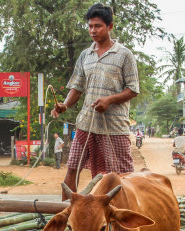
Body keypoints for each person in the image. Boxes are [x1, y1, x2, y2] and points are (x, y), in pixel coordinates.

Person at [51, 3, 139, 198]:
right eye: (90, 26)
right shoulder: (85, 55)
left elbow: (133, 89)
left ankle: (121, 218)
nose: (93, 30)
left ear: (110, 26)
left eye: (98, 26)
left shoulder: (124, 54)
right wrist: (64, 105)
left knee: (121, 175)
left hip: (114, 126)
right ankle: (68, 216)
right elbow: (77, 87)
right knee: (72, 168)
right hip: (86, 123)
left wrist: (109, 100)